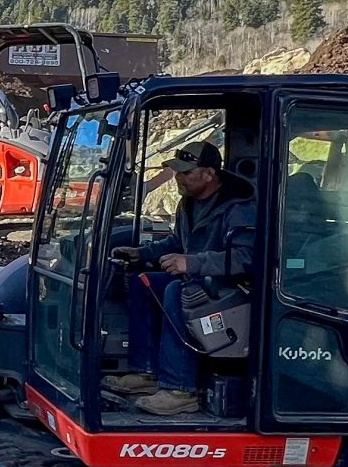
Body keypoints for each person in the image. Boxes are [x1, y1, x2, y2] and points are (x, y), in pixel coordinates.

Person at [108, 140, 254, 416]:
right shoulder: (188, 203)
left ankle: (180, 390)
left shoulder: (238, 208)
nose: (178, 177)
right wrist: (142, 253)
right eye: (177, 171)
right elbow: (178, 241)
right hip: (200, 278)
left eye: (186, 172)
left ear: (209, 174)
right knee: (144, 283)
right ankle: (146, 372)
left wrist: (192, 263)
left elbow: (246, 258)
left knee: (176, 291)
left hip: (231, 287)